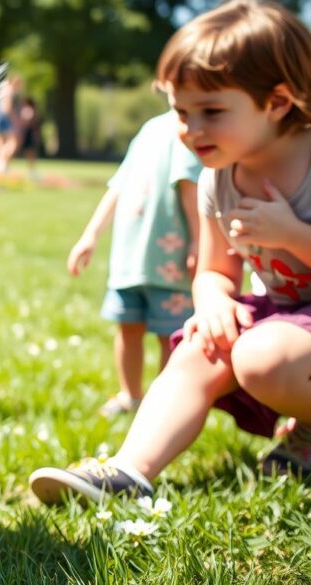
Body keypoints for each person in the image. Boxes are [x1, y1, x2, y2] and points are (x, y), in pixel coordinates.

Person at [31, 0, 311, 504]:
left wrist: (292, 234)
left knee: (260, 354)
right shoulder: (217, 181)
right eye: (181, 112)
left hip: (289, 345)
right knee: (201, 345)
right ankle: (128, 471)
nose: (190, 129)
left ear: (277, 102)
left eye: (211, 112)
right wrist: (213, 301)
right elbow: (213, 271)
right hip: (290, 325)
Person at [67, 110, 202, 418]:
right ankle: (131, 395)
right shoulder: (150, 129)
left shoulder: (188, 128)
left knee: (171, 337)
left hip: (169, 264)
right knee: (127, 327)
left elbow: (190, 188)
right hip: (130, 260)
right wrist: (90, 235)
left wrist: (197, 242)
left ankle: (167, 403)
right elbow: (118, 185)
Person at [0, 74, 22, 175]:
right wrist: (15, 119)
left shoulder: (2, 87)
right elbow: (6, 108)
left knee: (0, 142)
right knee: (13, 142)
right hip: (5, 118)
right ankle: (2, 163)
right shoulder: (9, 90)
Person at [19, 96, 43, 181]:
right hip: (27, 134)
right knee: (30, 154)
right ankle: (32, 171)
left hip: (28, 134)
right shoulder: (31, 110)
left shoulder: (27, 110)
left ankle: (32, 171)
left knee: (30, 153)